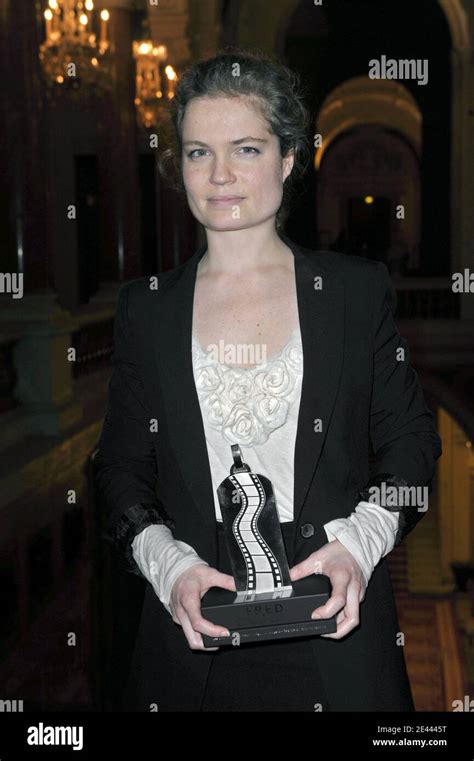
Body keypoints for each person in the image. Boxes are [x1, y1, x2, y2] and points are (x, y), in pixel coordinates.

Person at [93, 48, 442, 712]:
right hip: (193, 641)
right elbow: (120, 469)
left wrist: (358, 545)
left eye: (245, 149)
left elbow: (414, 447)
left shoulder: (352, 292)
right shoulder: (148, 308)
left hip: (337, 627)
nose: (219, 174)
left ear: (287, 159)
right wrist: (172, 568)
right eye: (198, 153)